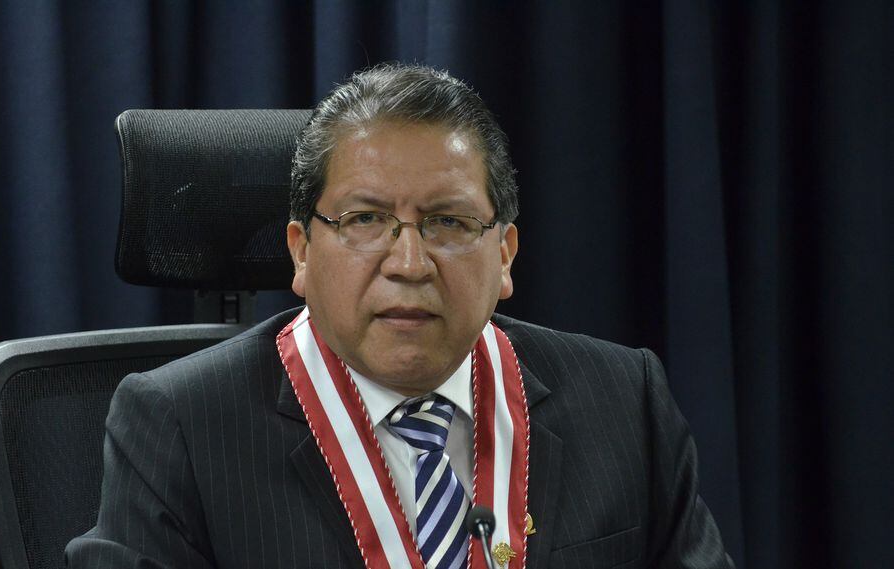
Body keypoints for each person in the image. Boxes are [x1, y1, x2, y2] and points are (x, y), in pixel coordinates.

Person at [66, 63, 734, 569]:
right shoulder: (179, 426)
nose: (410, 263)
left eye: (448, 222)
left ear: (505, 255)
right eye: (365, 219)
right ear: (301, 252)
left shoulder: (623, 400)